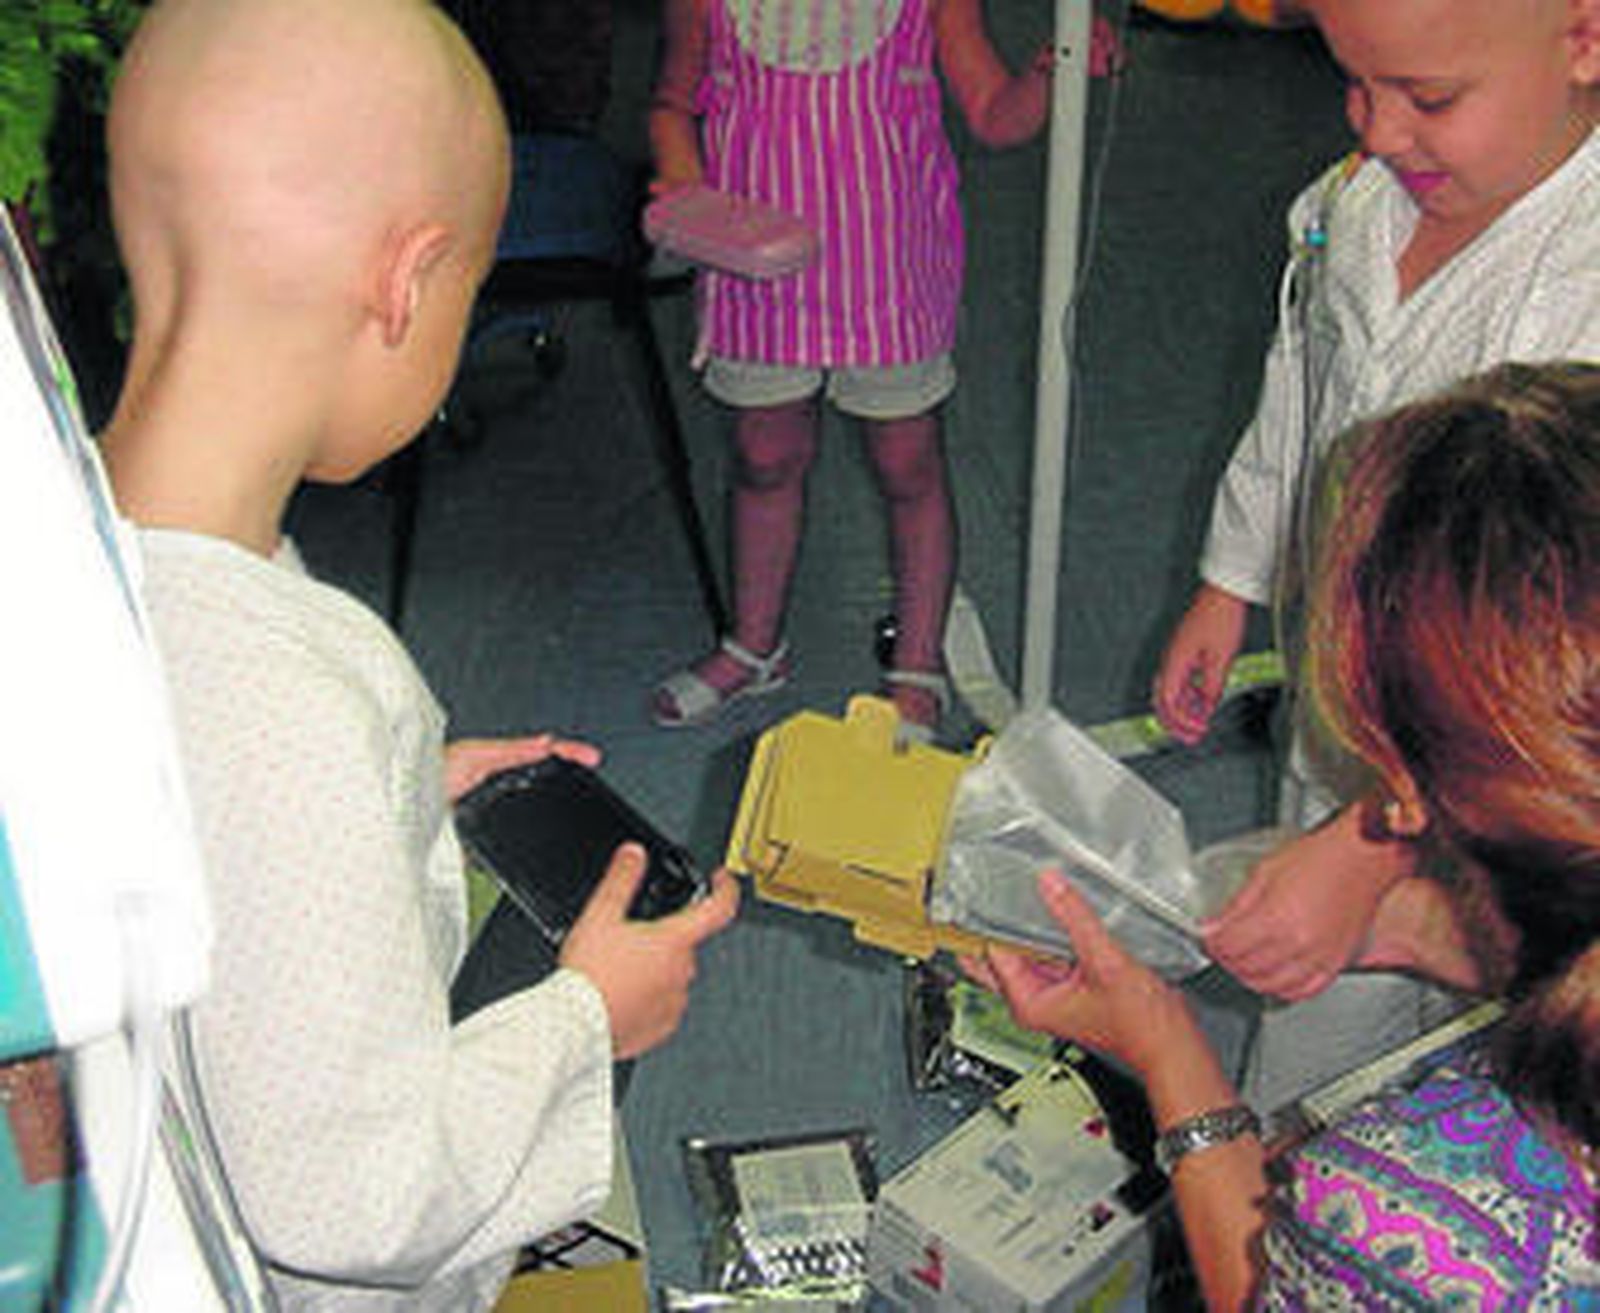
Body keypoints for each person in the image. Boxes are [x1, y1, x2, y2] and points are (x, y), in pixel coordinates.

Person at [98, 1, 739, 1307]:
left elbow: (186, 790)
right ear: (408, 281)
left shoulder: (71, 534)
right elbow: (357, 1194)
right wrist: (585, 1022)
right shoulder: (297, 701)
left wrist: (389, 798)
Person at [975, 361, 1600, 1311]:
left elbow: (1258, 1293)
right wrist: (1408, 925)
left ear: (1414, 794)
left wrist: (1164, 1045)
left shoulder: (1412, 1225)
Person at [1151, 0, 1600, 1108]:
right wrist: (1232, 578)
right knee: (1316, 1017)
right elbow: (1300, 395)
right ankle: (1305, 1177)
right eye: (1352, 81)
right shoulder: (1360, 201)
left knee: (1523, 1035)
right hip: (1354, 697)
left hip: (1519, 769)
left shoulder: (1577, 298)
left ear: (1585, 39)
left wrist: (1367, 846)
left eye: (1428, 98)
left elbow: (1526, 652)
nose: (1379, 131)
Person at [645, 0, 1055, 741]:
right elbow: (674, 105)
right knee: (764, 455)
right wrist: (682, 180)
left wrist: (1051, 73)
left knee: (908, 461)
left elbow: (995, 113)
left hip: (889, 264)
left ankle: (918, 665)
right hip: (755, 263)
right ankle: (756, 642)